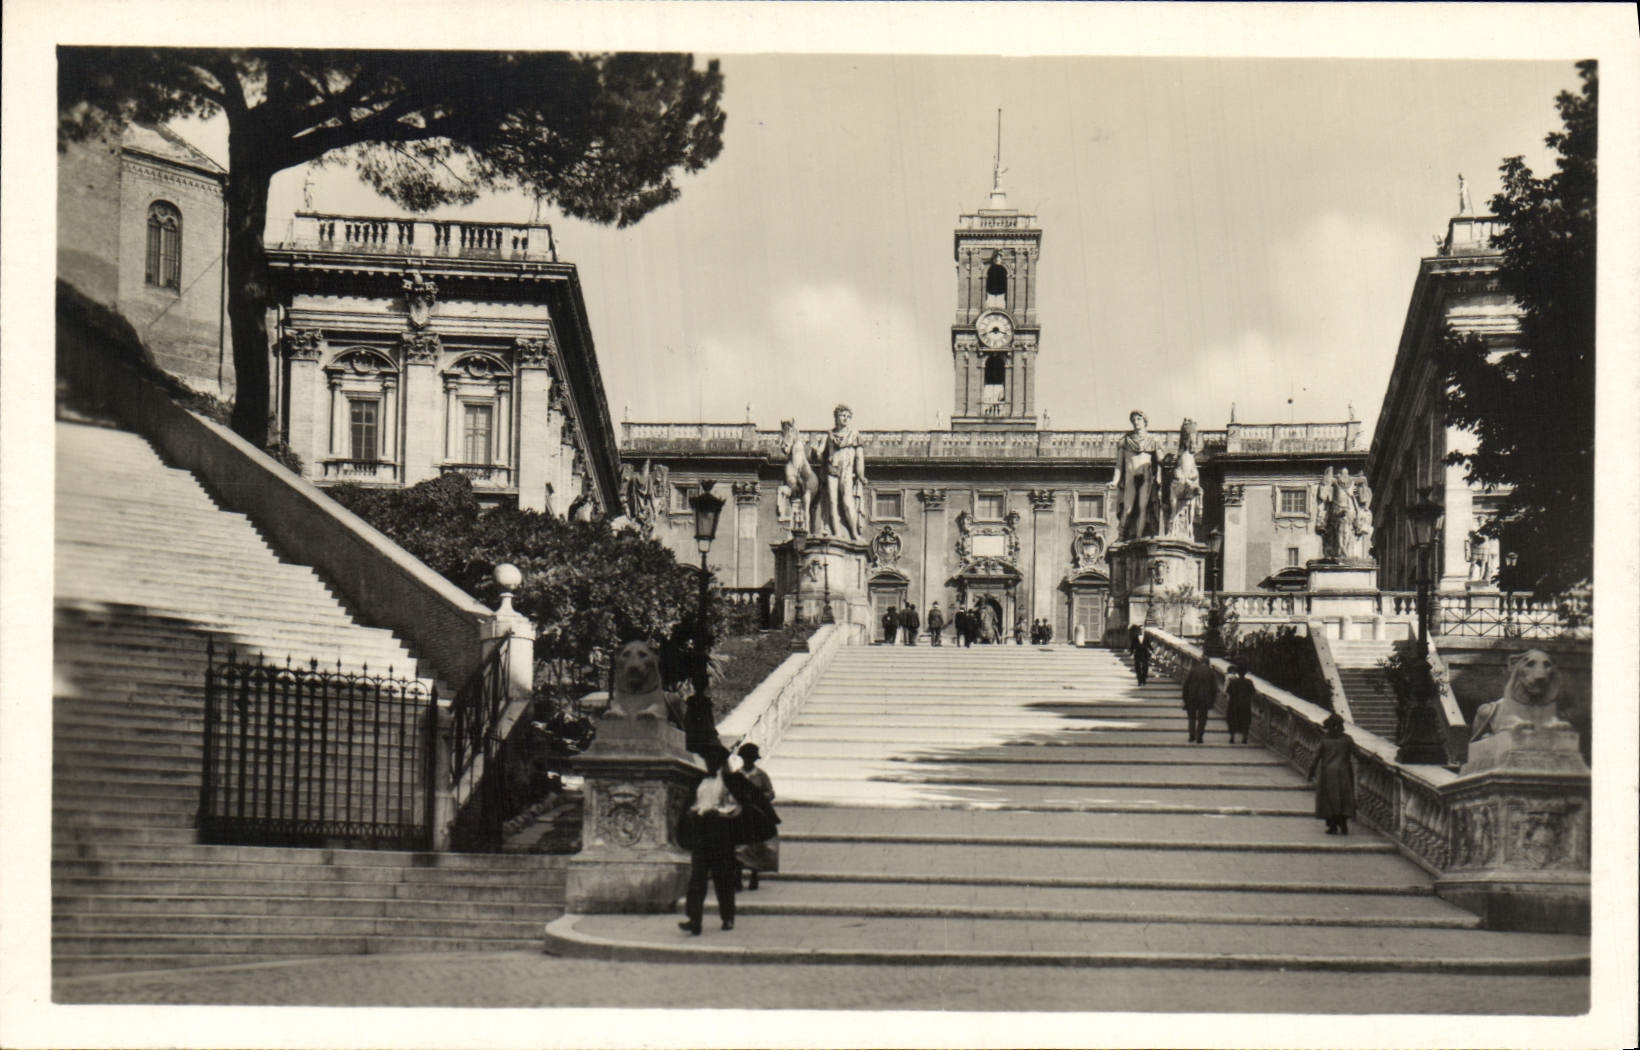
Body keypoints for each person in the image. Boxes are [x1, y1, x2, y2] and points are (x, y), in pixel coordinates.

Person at [734, 743, 779, 891]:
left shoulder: (761, 775)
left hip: (756, 813)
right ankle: (738, 877)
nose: (748, 761)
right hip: (740, 813)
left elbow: (770, 793)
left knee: (755, 845)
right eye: (746, 758)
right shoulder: (737, 775)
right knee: (739, 845)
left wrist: (759, 798)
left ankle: (754, 875)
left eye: (751, 759)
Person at [1307, 714, 1356, 835]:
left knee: (1329, 800)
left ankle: (1333, 826)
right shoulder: (1347, 740)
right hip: (1344, 772)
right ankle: (1344, 824)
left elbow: (1315, 757)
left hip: (1327, 774)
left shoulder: (1325, 741)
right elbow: (1358, 754)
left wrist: (1311, 772)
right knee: (1344, 799)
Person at [1182, 659, 1218, 744]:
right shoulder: (1211, 672)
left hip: (1192, 697)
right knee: (1202, 718)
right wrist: (1212, 700)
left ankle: (1191, 736)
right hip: (1205, 698)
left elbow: (1186, 685)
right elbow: (1214, 688)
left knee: (1192, 717)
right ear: (1208, 663)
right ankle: (1200, 737)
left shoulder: (1193, 670)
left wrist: (1185, 698)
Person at [1224, 663, 1255, 744]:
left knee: (1232, 720)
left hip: (1234, 704)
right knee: (1245, 720)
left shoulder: (1233, 682)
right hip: (1245, 704)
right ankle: (1244, 737)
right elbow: (1252, 692)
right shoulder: (1249, 682)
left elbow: (1228, 691)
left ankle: (1232, 737)